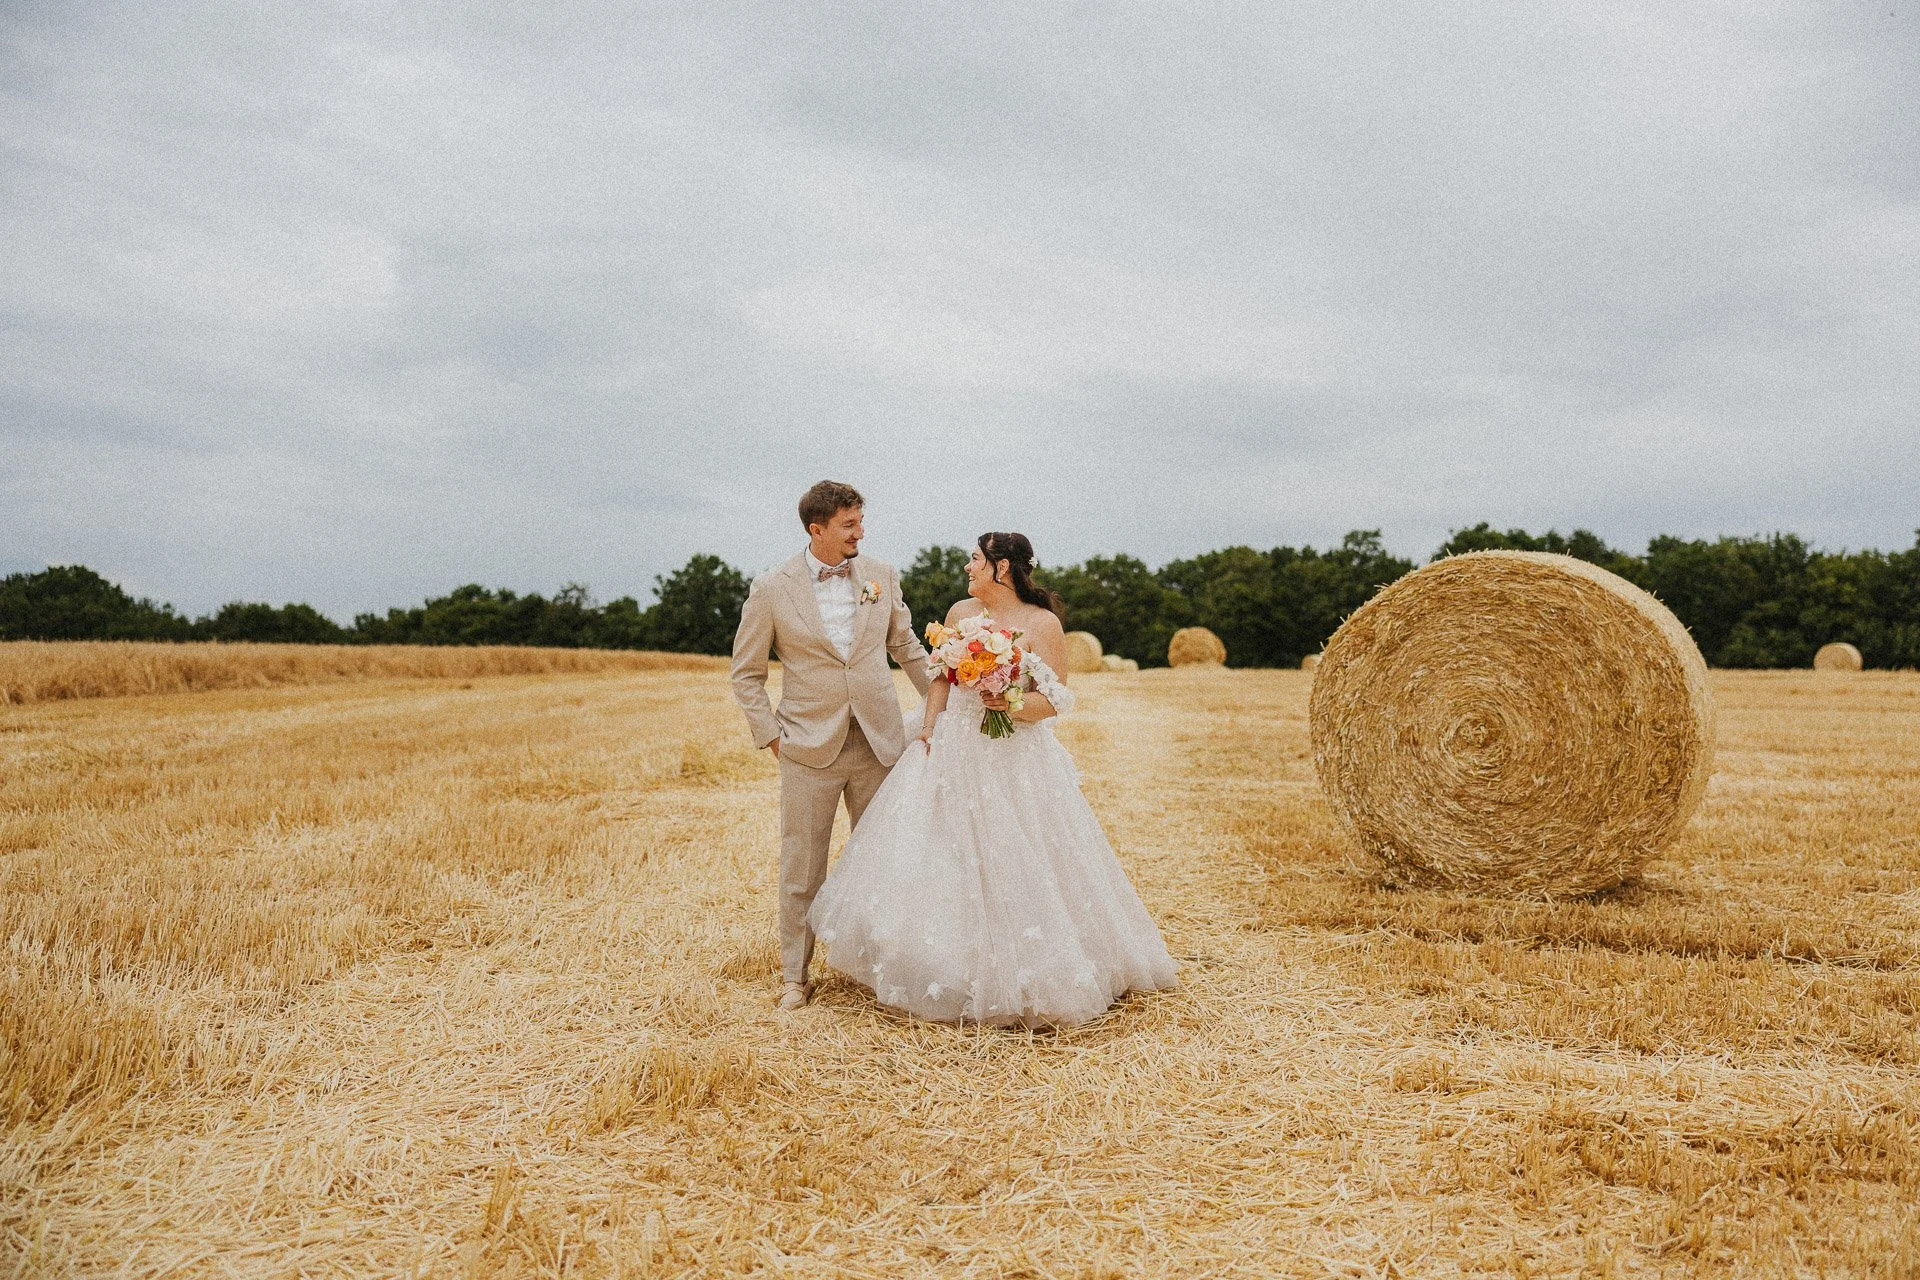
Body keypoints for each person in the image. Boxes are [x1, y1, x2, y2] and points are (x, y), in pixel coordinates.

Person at [808, 532, 1177, 1028]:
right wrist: (930, 726)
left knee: (1017, 855)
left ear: (1002, 568)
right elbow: (941, 675)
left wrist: (1012, 704)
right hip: (953, 741)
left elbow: (1058, 699)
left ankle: (1028, 972)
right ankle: (940, 967)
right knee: (939, 851)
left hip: (1013, 753)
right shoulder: (961, 614)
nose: (967, 567)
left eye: (975, 559)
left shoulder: (1042, 624)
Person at [731, 481, 932, 1010]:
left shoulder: (882, 576)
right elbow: (746, 674)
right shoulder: (771, 588)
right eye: (849, 525)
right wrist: (772, 735)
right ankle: (795, 978)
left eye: (861, 521)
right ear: (816, 529)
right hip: (807, 748)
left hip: (879, 742)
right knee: (803, 866)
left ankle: (885, 973)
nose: (860, 533)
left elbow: (906, 647)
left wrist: (945, 705)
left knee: (888, 862)